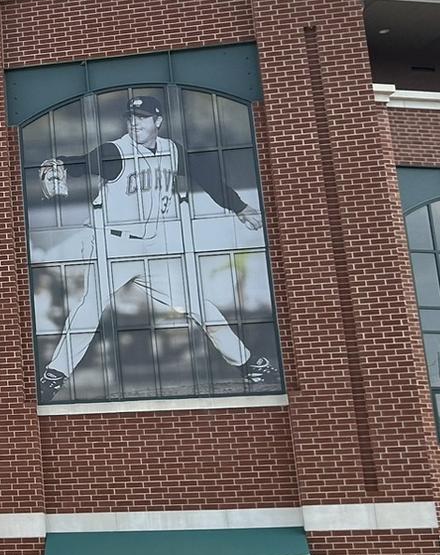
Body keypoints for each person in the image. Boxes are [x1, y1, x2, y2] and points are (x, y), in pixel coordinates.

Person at [37, 94, 273, 403]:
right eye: (131, 117)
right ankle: (54, 377)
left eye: (143, 117)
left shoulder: (172, 151)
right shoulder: (116, 151)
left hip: (153, 250)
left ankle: (248, 365)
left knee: (200, 305)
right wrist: (59, 165)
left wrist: (239, 206)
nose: (135, 122)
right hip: (114, 246)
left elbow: (208, 178)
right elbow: (83, 162)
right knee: (88, 311)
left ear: (157, 121)